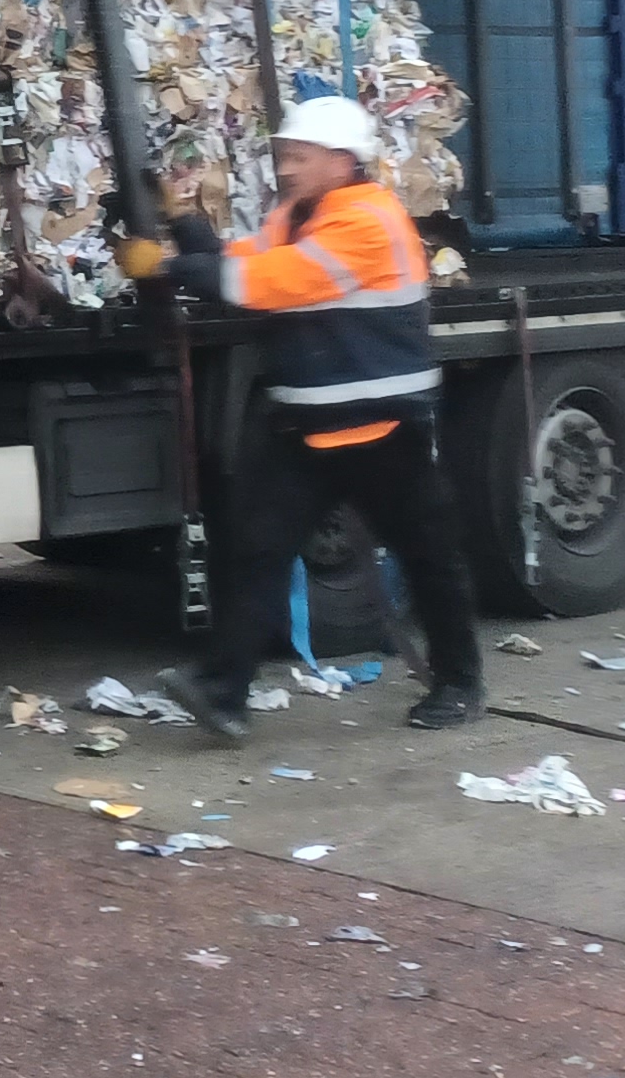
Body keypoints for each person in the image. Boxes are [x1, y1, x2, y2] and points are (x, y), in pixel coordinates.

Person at [116, 95, 485, 736]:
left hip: (382, 427)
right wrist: (185, 222)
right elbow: (246, 264)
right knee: (257, 550)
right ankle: (223, 692)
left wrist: (169, 266)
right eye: (284, 155)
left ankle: (459, 683)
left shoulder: (368, 221)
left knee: (429, 556)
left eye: (299, 156)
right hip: (307, 425)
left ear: (342, 160)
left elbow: (272, 284)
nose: (285, 167)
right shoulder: (298, 214)